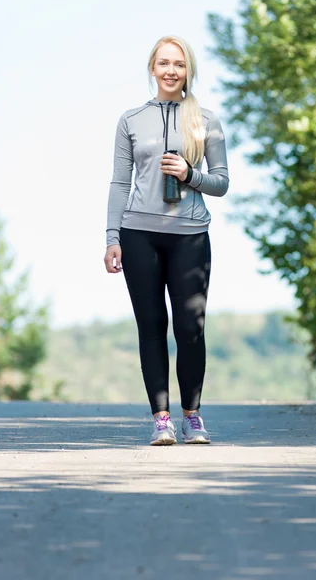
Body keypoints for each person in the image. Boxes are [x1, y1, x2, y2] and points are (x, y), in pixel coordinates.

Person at [104, 36, 229, 446]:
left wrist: (189, 174)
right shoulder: (131, 119)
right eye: (163, 63)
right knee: (152, 327)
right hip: (138, 234)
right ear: (152, 69)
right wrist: (112, 237)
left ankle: (192, 416)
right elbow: (121, 182)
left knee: (190, 328)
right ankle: (162, 419)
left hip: (190, 237)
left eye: (178, 64)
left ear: (188, 70)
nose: (171, 70)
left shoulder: (206, 120)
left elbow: (222, 183)